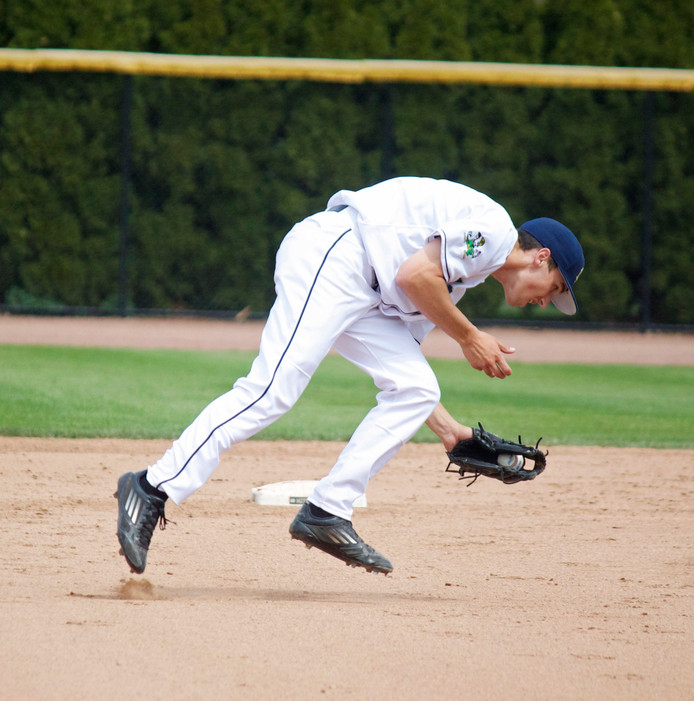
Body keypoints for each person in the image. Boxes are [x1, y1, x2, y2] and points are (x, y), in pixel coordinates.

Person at [116, 176, 585, 576]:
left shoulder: (468, 275)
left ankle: (326, 511)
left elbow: (406, 339)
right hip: (336, 256)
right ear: (541, 257)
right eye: (556, 288)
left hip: (366, 292)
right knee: (271, 392)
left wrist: (451, 434)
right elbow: (415, 276)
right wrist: (468, 337)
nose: (548, 301)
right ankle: (150, 487)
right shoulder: (495, 233)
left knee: (417, 387)